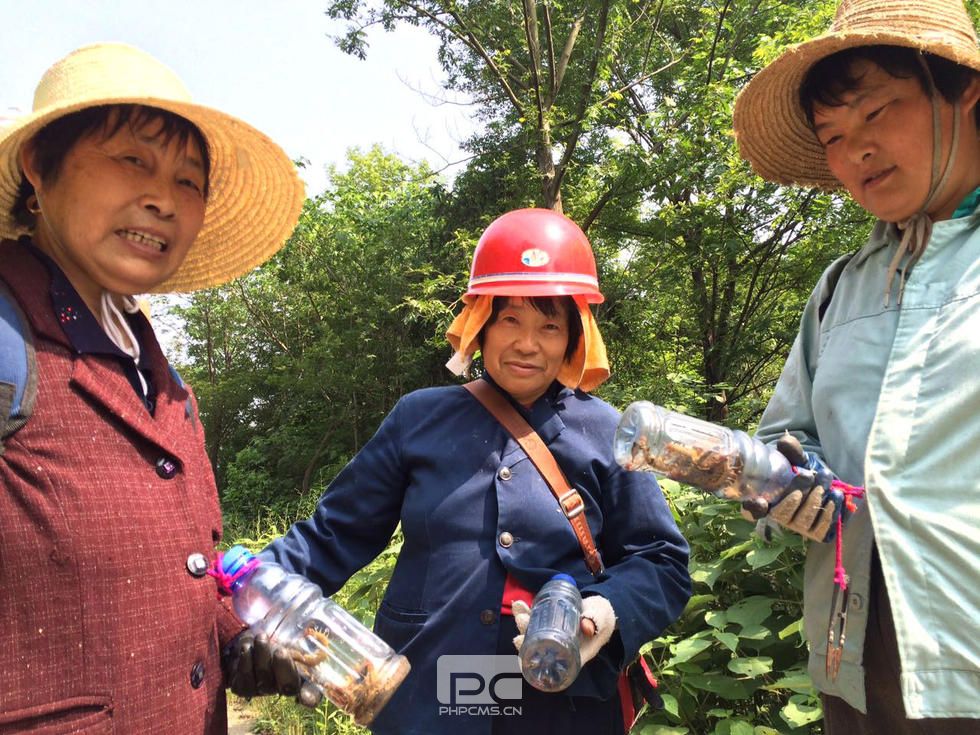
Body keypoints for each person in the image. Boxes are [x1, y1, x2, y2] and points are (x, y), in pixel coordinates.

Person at [226, 208, 692, 734]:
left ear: (572, 339)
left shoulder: (607, 432)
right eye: (510, 318)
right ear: (482, 325)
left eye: (549, 325)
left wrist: (604, 612)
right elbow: (332, 536)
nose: (527, 342)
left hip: (561, 705)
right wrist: (241, 593)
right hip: (430, 694)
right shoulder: (419, 418)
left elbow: (663, 561)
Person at [0, 43, 304, 732]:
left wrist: (236, 635)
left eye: (189, 181)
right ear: (37, 166)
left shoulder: (158, 377)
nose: (162, 198)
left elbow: (177, 565)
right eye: (132, 159)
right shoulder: (8, 333)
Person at [732, 0, 980, 732]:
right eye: (833, 135)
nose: (854, 152)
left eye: (876, 113)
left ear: (965, 91)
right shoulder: (842, 287)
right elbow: (787, 432)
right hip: (857, 671)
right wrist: (782, 475)